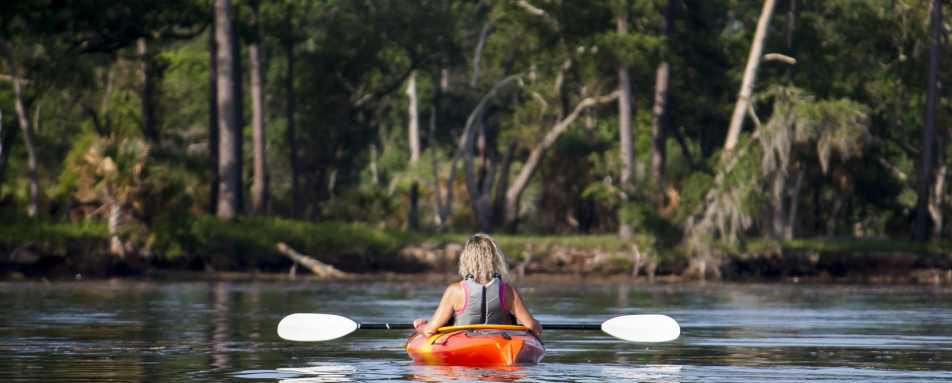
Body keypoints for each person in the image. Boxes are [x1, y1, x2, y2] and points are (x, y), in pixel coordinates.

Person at [413, 233, 542, 337]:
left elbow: (430, 330)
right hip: (499, 343)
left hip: (463, 346)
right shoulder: (507, 290)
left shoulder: (455, 290)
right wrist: (538, 325)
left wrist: (420, 327)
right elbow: (532, 326)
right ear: (494, 258)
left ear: (466, 258)